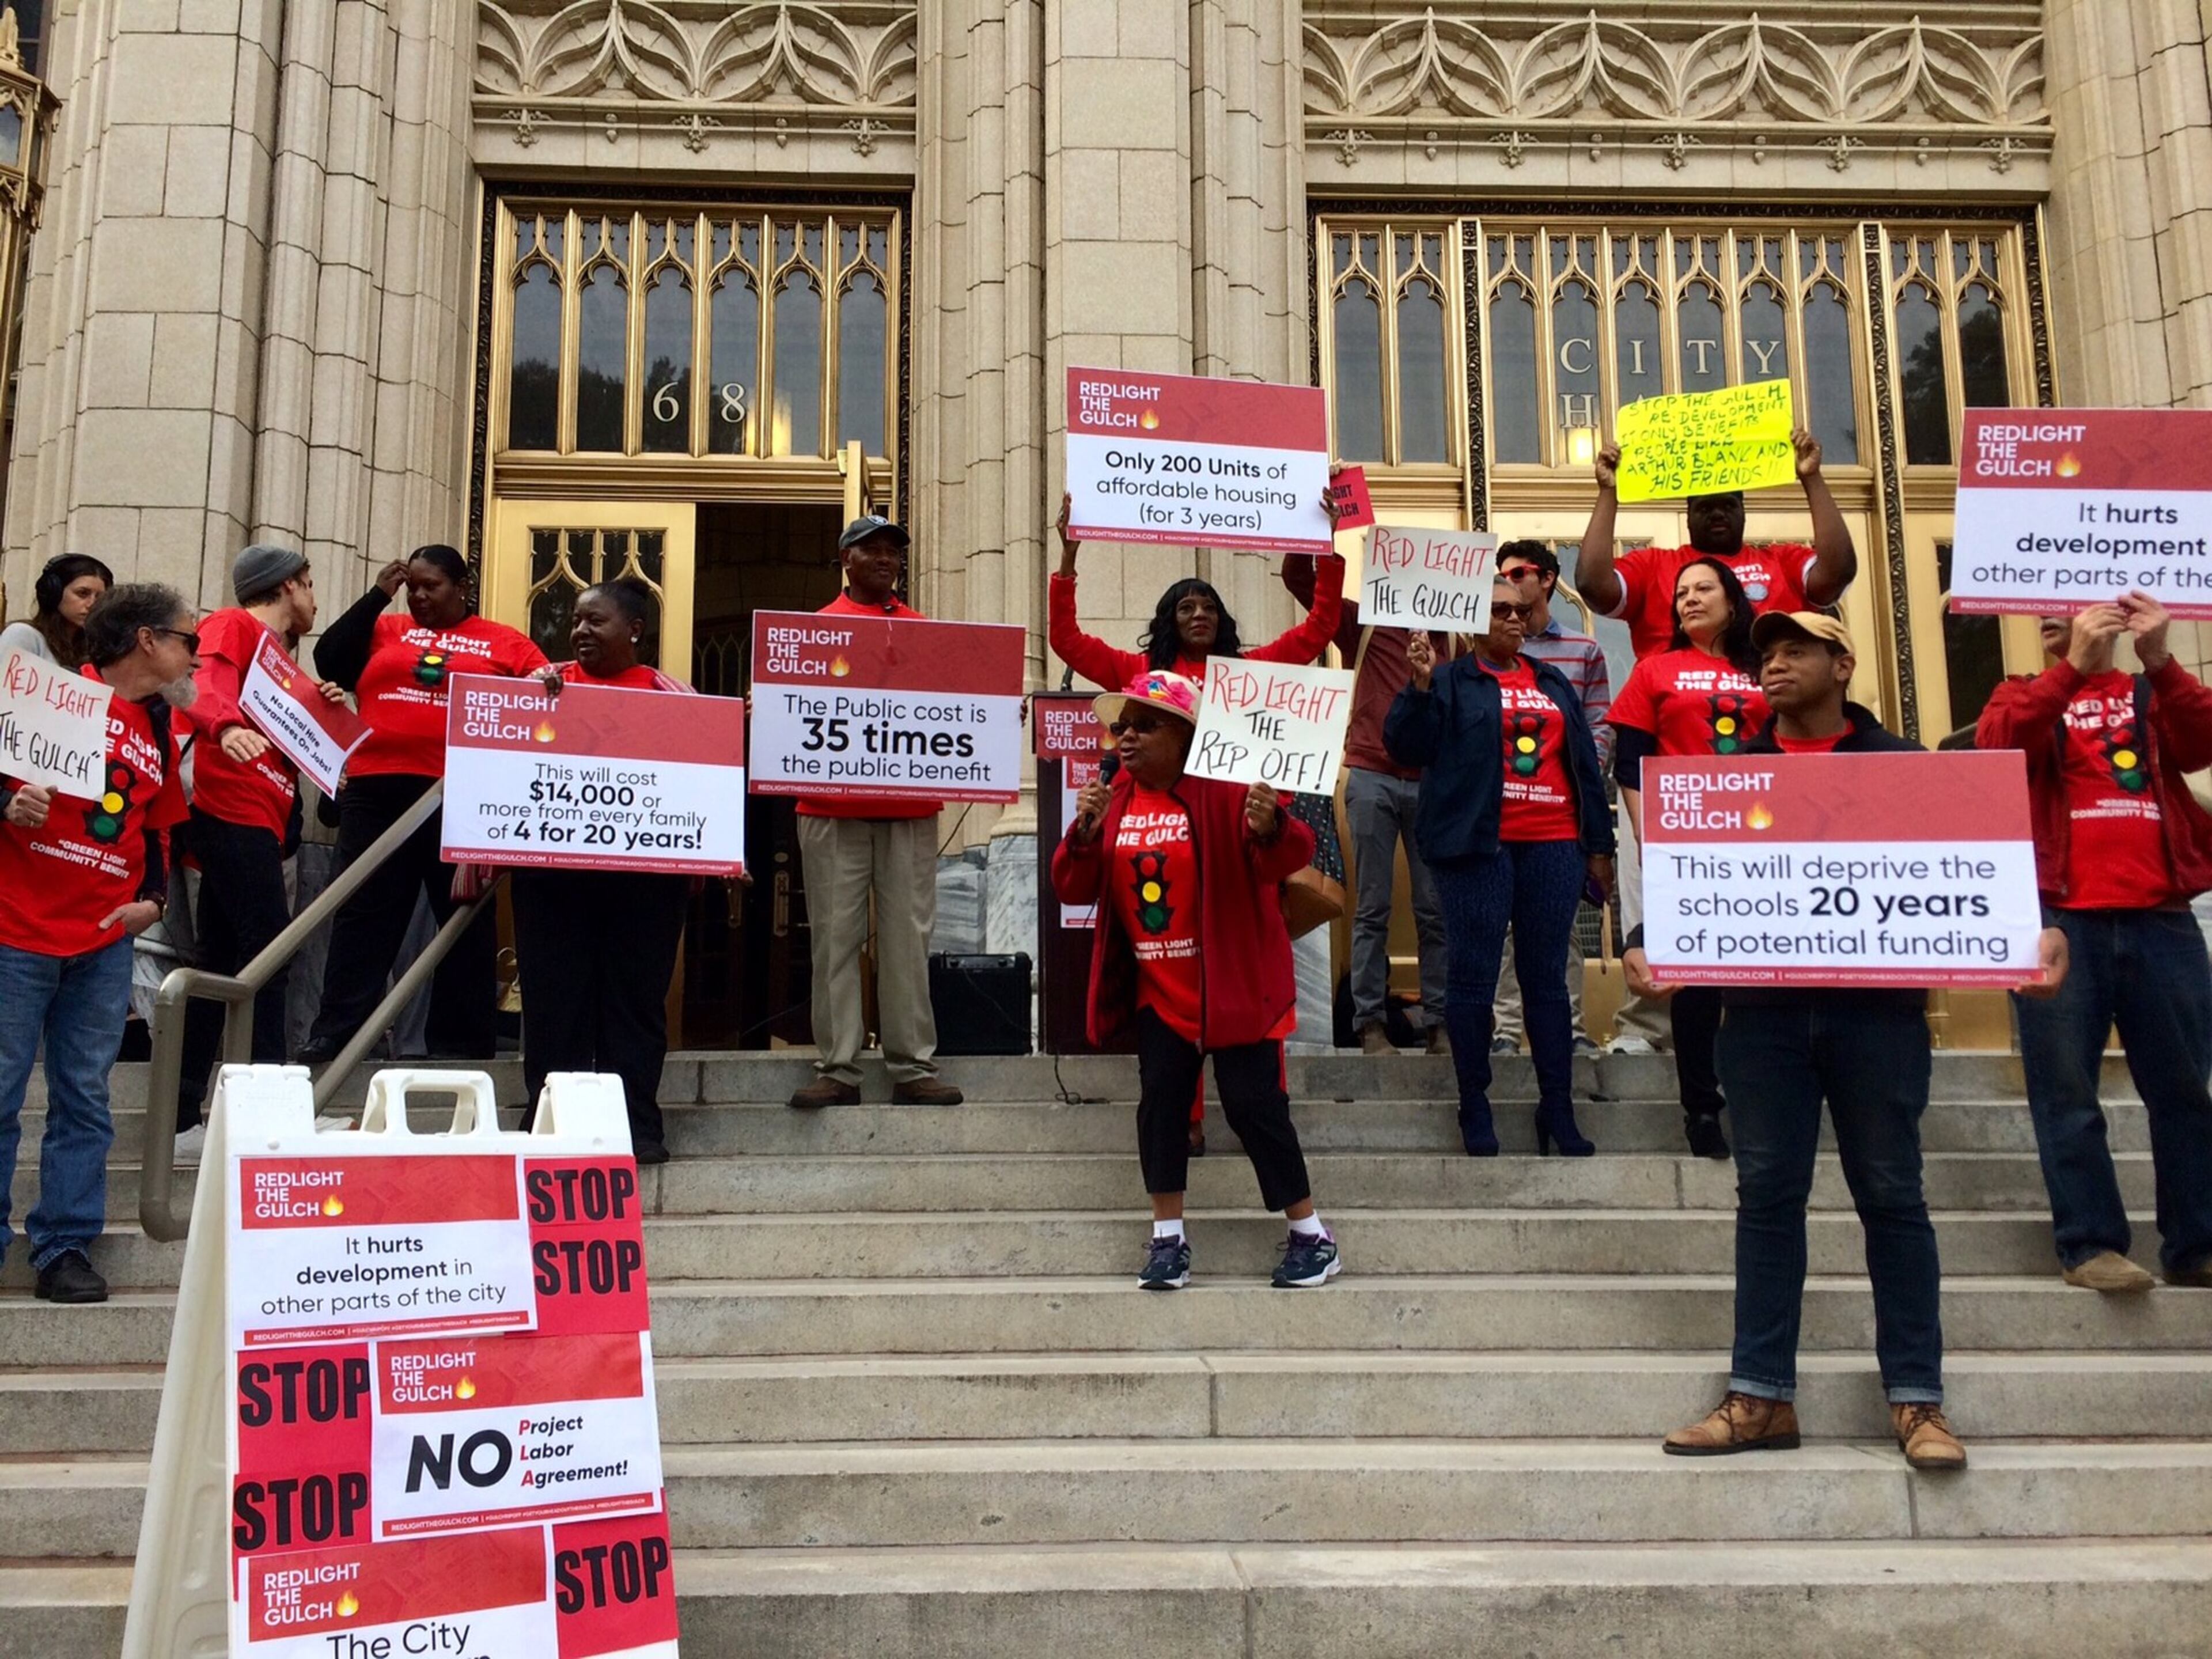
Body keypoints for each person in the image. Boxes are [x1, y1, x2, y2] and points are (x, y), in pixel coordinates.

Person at [1642, 611, 2069, 1471]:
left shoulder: (1910, 769)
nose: (1774, 664)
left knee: (1893, 1198)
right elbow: (1695, 887)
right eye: (1765, 652)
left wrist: (2039, 930)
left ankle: (1919, 1402)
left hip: (1878, 1019)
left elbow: (1978, 875)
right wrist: (1649, 940)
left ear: (1845, 663)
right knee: (1766, 1200)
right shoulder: (1732, 774)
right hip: (1761, 1023)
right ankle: (1760, 1396)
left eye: (1795, 649)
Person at [1053, 668, 1339, 1289]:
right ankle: (1167, 1241)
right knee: (1161, 1108)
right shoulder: (1118, 798)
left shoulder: (1229, 788)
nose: (1126, 739)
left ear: (1185, 734)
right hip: (1162, 992)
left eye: (1145, 726)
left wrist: (1272, 827)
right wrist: (1082, 836)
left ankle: (1311, 1234)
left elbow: (1290, 856)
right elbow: (1073, 886)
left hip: (1238, 986)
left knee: (1254, 1109)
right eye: (1121, 727)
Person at [1976, 593, 2212, 1293]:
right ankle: (2090, 1245)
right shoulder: (2021, 692)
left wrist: (2164, 660)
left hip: (2161, 916)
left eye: (2065, 602)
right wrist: (2071, 669)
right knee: (2066, 1091)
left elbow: (2202, 743)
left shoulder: (2152, 688)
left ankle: (2197, 1243)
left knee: (2185, 1093)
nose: (2048, 613)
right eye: (2039, 605)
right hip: (2059, 919)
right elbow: (1994, 753)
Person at [0, 585, 197, 1304]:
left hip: (102, 941)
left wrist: (155, 902)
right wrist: (7, 802)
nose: (193, 656)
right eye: (187, 640)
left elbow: (158, 829)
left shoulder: (157, 728)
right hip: (15, 928)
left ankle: (64, 1246)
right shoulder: (47, 696)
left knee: (84, 1099)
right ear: (146, 640)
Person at [1385, 574, 1612, 1157]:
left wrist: (1598, 848)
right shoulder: (1451, 681)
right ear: (1471, 621)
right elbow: (1407, 749)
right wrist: (1417, 687)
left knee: (1546, 983)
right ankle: (1475, 1105)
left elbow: (1585, 766)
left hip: (1554, 845)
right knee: (1474, 978)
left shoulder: (1552, 681)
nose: (1514, 619)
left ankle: (1558, 1110)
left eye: (1521, 610)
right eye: (1500, 611)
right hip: (1478, 849)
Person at [301, 546, 547, 1065]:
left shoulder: (503, 641)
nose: (418, 595)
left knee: (461, 917)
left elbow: (544, 700)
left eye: (430, 586)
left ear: (462, 587)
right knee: (363, 914)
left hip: (459, 794)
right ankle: (340, 1034)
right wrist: (377, 595)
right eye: (411, 585)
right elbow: (331, 660)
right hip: (376, 790)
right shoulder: (385, 630)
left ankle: (461, 1043)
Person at [513, 580, 694, 1164]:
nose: (580, 632)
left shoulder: (677, 702)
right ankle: (549, 1125)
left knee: (635, 1006)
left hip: (643, 883)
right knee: (553, 1003)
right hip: (554, 879)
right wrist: (527, 698)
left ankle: (636, 1129)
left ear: (635, 630)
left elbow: (699, 788)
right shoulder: (541, 689)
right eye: (576, 621)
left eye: (596, 621)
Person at [175, 544, 347, 1156]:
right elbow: (196, 684)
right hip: (229, 805)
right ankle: (270, 1114)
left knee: (223, 958)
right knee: (270, 950)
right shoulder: (233, 624)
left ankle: (182, 1116)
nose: (315, 597)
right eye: (310, 584)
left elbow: (304, 747)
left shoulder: (282, 664)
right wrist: (226, 728)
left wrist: (323, 714)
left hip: (261, 819)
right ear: (288, 586)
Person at [787, 516, 964, 1111]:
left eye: (894, 552)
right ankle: (838, 1065)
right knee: (835, 937)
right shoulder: (813, 632)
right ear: (846, 560)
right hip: (832, 808)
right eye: (873, 550)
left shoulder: (926, 634)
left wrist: (986, 721)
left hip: (908, 808)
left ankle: (912, 1064)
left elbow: (958, 707)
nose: (887, 560)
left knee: (907, 939)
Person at [1609, 558, 1770, 1159]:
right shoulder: (1656, 669)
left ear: (1734, 599)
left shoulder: (1765, 669)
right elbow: (1630, 760)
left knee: (1757, 980)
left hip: (1760, 843)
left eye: (1704, 589)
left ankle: (1761, 1098)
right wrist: (1651, 832)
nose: (1690, 600)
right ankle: (1702, 1108)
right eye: (1681, 593)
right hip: (1687, 844)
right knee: (1697, 982)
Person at [1280, 544, 1449, 1057]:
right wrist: (1315, 531)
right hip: (1372, 774)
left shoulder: (1455, 636)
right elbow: (1299, 582)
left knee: (1434, 910)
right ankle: (1370, 1025)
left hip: (1432, 781)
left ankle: (1441, 1024)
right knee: (1372, 907)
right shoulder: (1366, 624)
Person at [1573, 429, 1857, 660]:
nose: (1718, 514)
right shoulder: (1653, 566)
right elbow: (1594, 586)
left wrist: (1812, 478)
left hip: (1773, 716)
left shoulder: (1782, 561)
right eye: (1706, 507)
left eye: (1728, 505)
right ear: (1688, 519)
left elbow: (1837, 572)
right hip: (1677, 716)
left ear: (1744, 512)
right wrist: (1609, 492)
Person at [1493, 540, 1615, 1059]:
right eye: (1501, 574)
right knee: (1501, 926)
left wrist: (1580, 770)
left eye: (1519, 572)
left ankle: (1568, 1027)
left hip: (1559, 812)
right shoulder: (1489, 650)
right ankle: (1503, 1030)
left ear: (1547, 580)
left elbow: (1601, 723)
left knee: (1558, 923)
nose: (1510, 581)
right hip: (1500, 811)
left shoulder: (1584, 651)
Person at [1051, 493, 1346, 689]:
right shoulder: (1140, 672)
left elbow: (1320, 628)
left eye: (1209, 608)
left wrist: (1325, 542)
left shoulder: (1250, 672)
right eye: (1186, 608)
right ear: (1170, 622)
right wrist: (1068, 557)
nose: (1200, 615)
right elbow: (1066, 640)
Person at [1, 554, 113, 670]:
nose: (92, 604)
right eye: (82, 594)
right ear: (54, 593)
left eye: (100, 598)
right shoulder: (23, 634)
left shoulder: (94, 649)